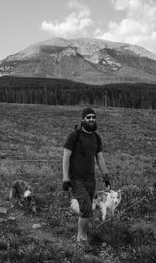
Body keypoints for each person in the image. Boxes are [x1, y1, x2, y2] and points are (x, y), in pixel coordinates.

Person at [62, 107, 110, 251]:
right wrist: (65, 178)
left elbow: (100, 159)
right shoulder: (74, 135)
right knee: (87, 208)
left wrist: (106, 177)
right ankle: (83, 240)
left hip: (91, 180)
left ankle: (78, 239)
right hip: (76, 179)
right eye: (88, 117)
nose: (91, 119)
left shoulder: (96, 137)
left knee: (85, 212)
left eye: (93, 117)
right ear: (83, 119)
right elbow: (66, 156)